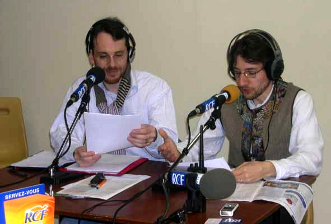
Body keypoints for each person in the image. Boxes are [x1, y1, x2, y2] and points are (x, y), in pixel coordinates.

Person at [158, 29, 323, 184]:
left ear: (273, 70)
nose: (242, 82)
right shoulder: (226, 102)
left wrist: (268, 168)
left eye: (251, 73)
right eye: (237, 73)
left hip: (281, 200)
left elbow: (311, 158)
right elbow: (199, 150)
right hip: (237, 197)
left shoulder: (298, 101)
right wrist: (177, 153)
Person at [50, 17, 178, 168]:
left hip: (146, 175)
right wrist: (75, 151)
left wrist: (155, 138)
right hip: (96, 176)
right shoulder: (81, 88)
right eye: (103, 56)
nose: (112, 64)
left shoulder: (154, 87)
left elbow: (170, 145)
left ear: (130, 55)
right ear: (91, 57)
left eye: (118, 55)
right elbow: (61, 132)